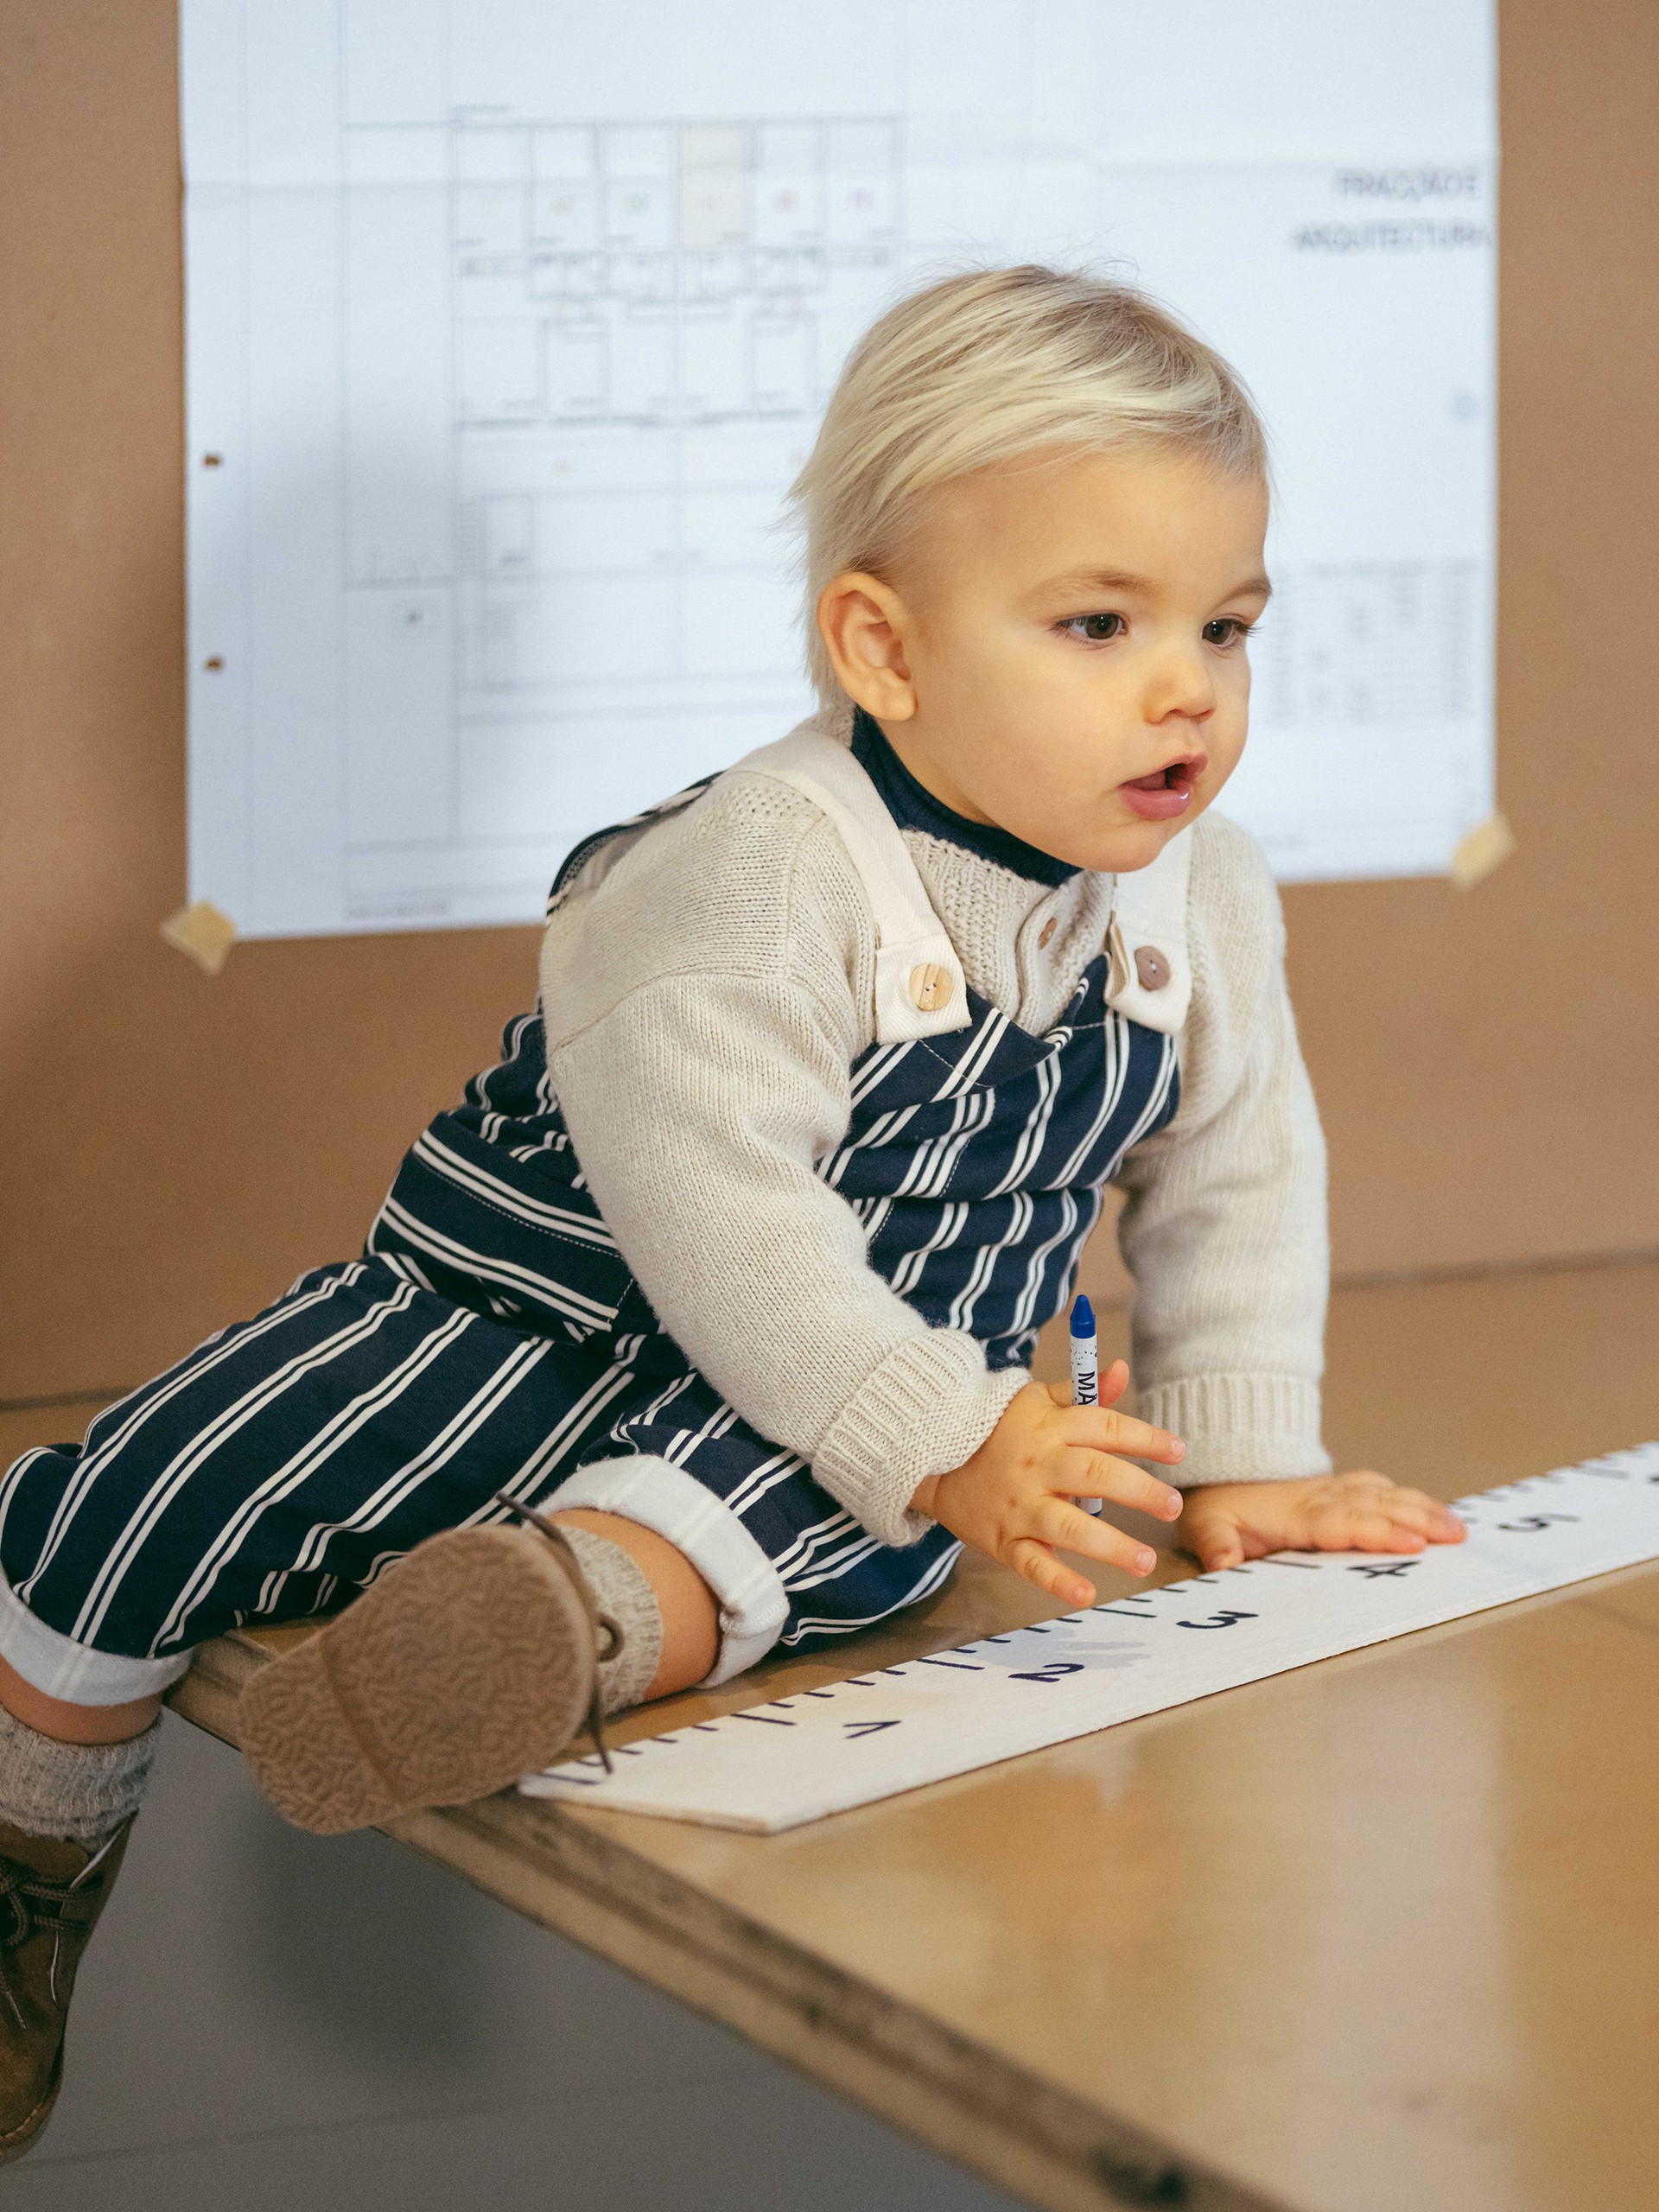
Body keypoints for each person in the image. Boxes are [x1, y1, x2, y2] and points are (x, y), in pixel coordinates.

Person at [0, 264, 1465, 2159]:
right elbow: (720, 1217)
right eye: (1099, 622)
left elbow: (1239, 1168)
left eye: (1229, 624)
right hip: (526, 1304)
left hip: (846, 1387)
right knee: (150, 1488)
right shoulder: (753, 869)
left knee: (801, 1534)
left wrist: (1236, 1455)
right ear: (884, 645)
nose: (1187, 685)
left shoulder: (1206, 898)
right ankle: (29, 1856)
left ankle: (560, 1618)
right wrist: (955, 1429)